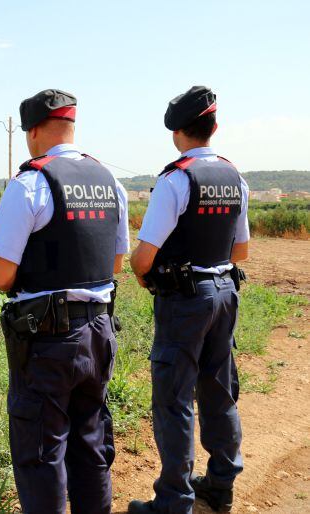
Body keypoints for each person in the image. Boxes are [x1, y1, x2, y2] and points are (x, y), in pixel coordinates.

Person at [0, 88, 129, 514]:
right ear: (71, 125)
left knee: (42, 449)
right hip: (100, 331)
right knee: (91, 441)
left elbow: (0, 275)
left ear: (31, 133)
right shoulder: (110, 181)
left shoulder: (32, 183)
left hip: (48, 338)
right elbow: (115, 262)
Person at [128, 86, 250, 514]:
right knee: (219, 392)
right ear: (214, 127)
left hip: (185, 300)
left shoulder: (176, 179)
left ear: (176, 132)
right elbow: (241, 252)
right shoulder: (236, 178)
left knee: (174, 398)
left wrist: (144, 274)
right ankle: (219, 487)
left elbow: (144, 256)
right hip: (225, 292)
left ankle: (174, 500)